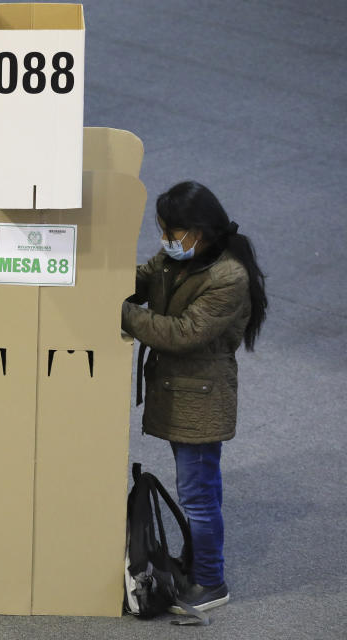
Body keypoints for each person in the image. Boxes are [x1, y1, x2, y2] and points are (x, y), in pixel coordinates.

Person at [121, 181, 268, 614]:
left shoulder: (229, 277)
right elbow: (144, 279)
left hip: (201, 398)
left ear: (199, 230)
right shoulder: (177, 257)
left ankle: (211, 581)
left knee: (199, 496)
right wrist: (102, 279)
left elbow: (184, 332)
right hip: (179, 389)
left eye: (172, 231)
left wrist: (120, 312)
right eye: (163, 230)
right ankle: (201, 563)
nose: (166, 239)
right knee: (201, 490)